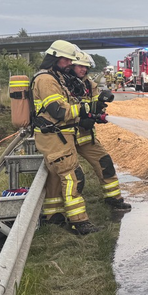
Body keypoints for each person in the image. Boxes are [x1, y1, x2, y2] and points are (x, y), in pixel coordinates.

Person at [32, 40, 101, 235]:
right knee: (73, 176)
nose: (70, 64)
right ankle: (79, 222)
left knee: (56, 177)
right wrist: (85, 108)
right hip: (54, 135)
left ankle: (53, 216)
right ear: (56, 58)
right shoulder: (46, 80)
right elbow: (57, 111)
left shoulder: (56, 77)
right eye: (67, 60)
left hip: (59, 135)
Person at [69, 51, 132, 211]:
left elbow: (95, 103)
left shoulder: (89, 84)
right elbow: (59, 110)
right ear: (71, 65)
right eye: (80, 66)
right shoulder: (63, 84)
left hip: (85, 136)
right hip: (65, 137)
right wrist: (81, 119)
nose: (83, 70)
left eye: (86, 67)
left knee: (105, 163)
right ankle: (62, 213)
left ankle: (114, 199)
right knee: (72, 176)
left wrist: (100, 110)